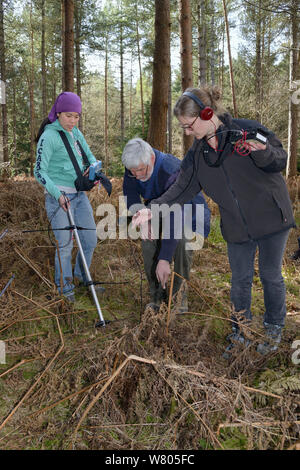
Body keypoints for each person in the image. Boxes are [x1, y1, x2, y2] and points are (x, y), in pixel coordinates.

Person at [133, 86, 295, 356]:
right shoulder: (198, 155)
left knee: (270, 276)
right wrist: (153, 209)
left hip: (271, 218)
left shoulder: (247, 129)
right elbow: (181, 189)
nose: (187, 132)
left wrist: (261, 151)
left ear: (207, 114)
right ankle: (240, 331)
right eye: (183, 127)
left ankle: (273, 327)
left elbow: (280, 159)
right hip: (237, 226)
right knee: (240, 279)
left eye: (188, 125)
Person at [122, 137, 210, 313]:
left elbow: (176, 215)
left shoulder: (170, 169)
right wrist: (143, 217)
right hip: (155, 208)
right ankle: (156, 295)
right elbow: (130, 193)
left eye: (140, 170)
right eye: (133, 172)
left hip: (189, 210)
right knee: (148, 241)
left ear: (151, 159)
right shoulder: (134, 164)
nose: (137, 175)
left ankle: (178, 297)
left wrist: (165, 259)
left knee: (183, 242)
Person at [34, 91, 104, 302]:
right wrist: (58, 195)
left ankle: (82, 277)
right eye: (68, 116)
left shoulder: (76, 133)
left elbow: (89, 156)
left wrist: (93, 171)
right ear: (58, 113)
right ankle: (65, 289)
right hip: (59, 199)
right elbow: (39, 172)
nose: (73, 120)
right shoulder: (49, 137)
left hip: (80, 196)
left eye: (77, 116)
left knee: (90, 240)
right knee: (64, 244)